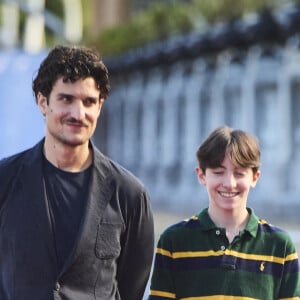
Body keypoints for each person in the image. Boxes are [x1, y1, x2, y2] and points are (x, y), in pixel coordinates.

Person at [0, 45, 154, 300]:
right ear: (42, 101)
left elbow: (132, 289)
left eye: (89, 102)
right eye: (66, 99)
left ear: (100, 106)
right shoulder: (5, 180)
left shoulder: (129, 194)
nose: (78, 114)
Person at [148, 126, 300, 299]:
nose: (229, 183)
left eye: (239, 173)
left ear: (255, 177)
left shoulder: (280, 245)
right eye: (219, 172)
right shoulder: (173, 241)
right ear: (202, 175)